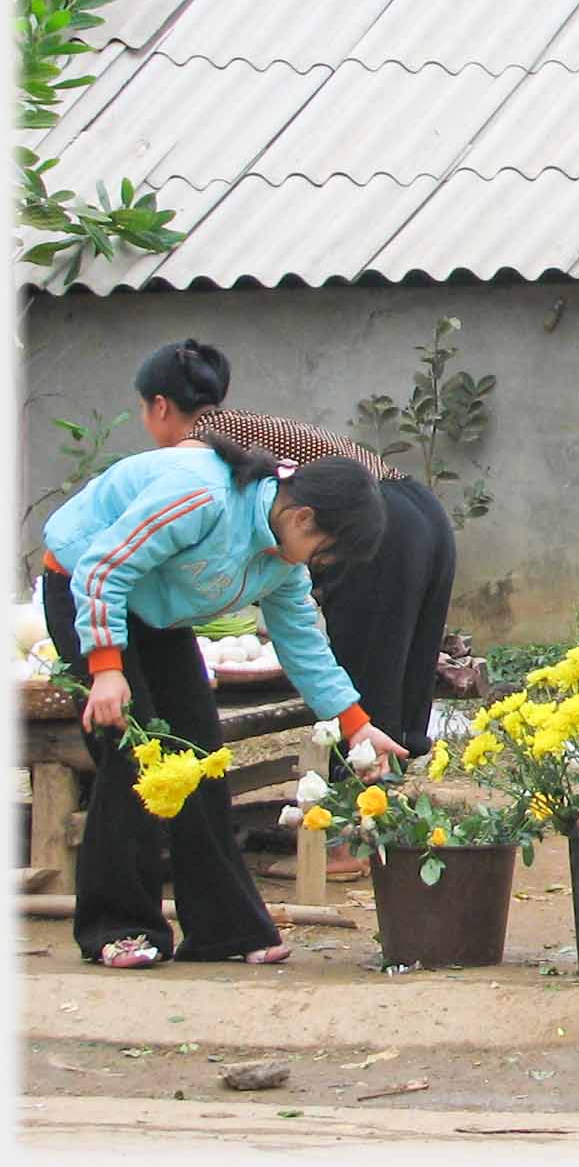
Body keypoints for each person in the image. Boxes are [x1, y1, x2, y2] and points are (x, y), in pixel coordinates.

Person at [42, 434, 408, 968]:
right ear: (303, 517)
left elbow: (303, 643)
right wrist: (105, 669)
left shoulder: (282, 559)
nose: (321, 564)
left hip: (154, 610)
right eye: (327, 551)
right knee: (134, 757)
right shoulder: (202, 497)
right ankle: (117, 928)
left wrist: (356, 725)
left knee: (200, 754)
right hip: (85, 586)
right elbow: (103, 570)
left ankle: (224, 930)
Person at [133, 340, 457, 878]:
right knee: (397, 673)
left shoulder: (199, 447)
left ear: (160, 406)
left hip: (372, 524)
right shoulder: (247, 423)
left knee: (362, 670)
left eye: (145, 411)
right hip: (418, 509)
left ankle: (342, 846)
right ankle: (377, 823)